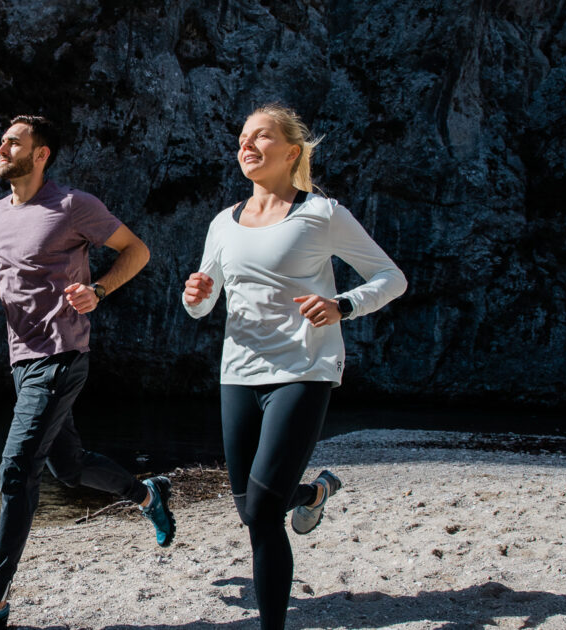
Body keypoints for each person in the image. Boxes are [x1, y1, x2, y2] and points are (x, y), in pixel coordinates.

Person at [0, 115, 174, 630]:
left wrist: (100, 291)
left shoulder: (73, 206)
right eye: (1, 140)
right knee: (68, 468)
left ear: (40, 154)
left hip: (63, 356)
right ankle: (147, 493)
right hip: (21, 359)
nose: (1, 146)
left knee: (16, 469)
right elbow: (5, 277)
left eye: (13, 141)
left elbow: (137, 251)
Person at [181, 103, 407, 630]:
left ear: (291, 151)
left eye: (262, 137)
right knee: (250, 509)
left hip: (305, 368)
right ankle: (315, 492)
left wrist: (341, 305)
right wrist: (195, 294)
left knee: (262, 513)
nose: (248, 145)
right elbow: (201, 304)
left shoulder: (322, 214)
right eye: (242, 137)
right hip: (238, 373)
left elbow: (390, 278)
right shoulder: (222, 222)